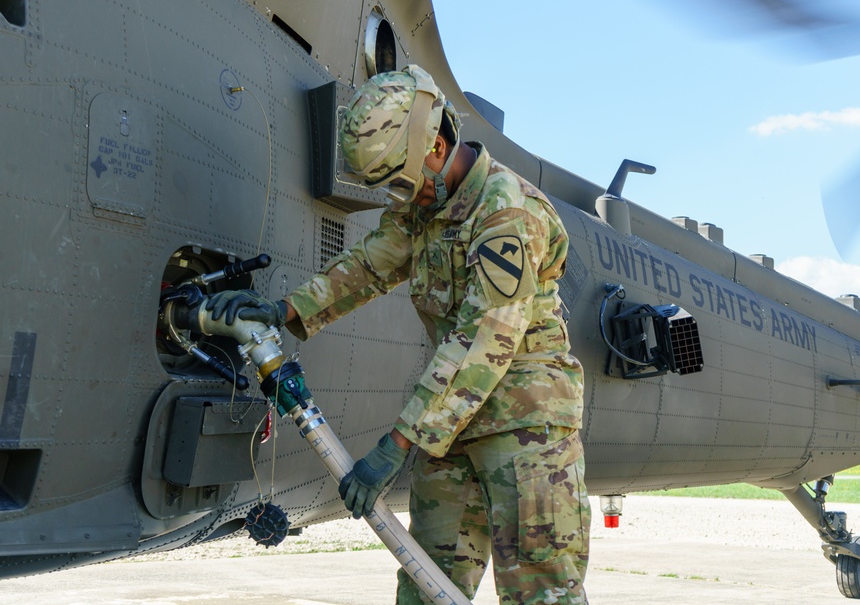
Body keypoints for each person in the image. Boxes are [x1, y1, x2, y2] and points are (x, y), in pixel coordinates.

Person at [207, 65, 590, 604]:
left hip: (524, 428)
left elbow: (484, 338)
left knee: (541, 595)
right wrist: (284, 310)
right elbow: (370, 264)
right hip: (451, 429)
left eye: (400, 183)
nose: (398, 197)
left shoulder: (507, 212)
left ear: (436, 145)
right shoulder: (423, 206)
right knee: (425, 588)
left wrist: (396, 445)